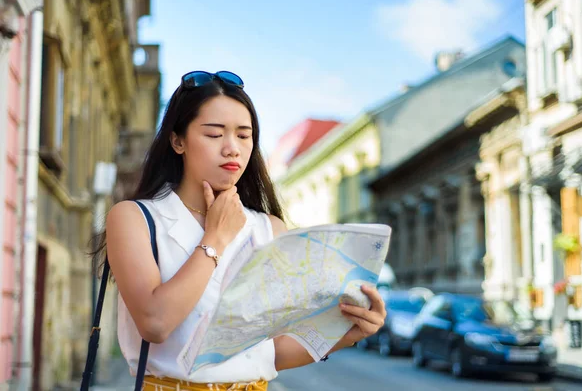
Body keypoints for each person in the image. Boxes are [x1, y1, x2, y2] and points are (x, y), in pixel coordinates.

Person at [104, 70, 387, 390]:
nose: (232, 148)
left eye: (243, 135)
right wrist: (216, 237)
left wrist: (347, 334)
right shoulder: (135, 218)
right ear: (178, 140)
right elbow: (155, 323)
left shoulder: (269, 228)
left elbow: (270, 351)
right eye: (214, 134)